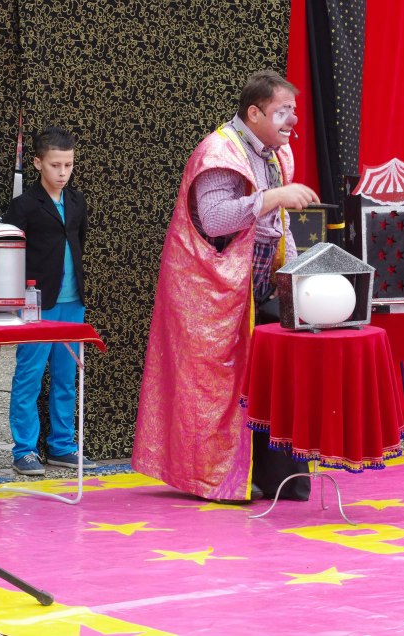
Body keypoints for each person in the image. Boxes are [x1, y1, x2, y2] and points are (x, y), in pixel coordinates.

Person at [133, 70, 319, 502]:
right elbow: (215, 219)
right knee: (218, 384)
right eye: (281, 111)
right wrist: (273, 197)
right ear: (253, 113)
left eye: (293, 110)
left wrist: (294, 269)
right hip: (215, 288)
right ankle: (216, 477)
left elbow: (279, 225)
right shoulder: (219, 151)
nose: (291, 120)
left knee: (276, 371)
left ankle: (281, 477)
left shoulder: (275, 152)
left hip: (263, 280)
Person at [4, 127, 96, 476]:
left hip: (73, 303)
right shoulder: (23, 206)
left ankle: (62, 445)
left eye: (68, 165)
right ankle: (24, 449)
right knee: (29, 374)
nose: (62, 173)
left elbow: (80, 241)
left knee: (65, 375)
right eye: (55, 165)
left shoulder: (76, 201)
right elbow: (9, 254)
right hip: (37, 304)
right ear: (38, 163)